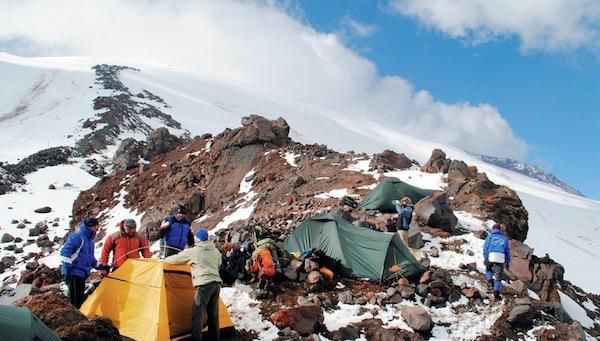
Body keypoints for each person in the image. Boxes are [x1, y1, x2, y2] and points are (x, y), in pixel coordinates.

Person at [164, 229, 222, 341]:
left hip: (204, 285)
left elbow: (176, 259)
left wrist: (165, 260)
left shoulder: (194, 251)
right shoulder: (215, 251)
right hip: (216, 284)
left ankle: (196, 338)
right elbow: (219, 263)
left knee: (197, 313)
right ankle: (214, 338)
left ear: (198, 239)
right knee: (213, 313)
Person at [60, 217, 110, 308]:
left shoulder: (90, 242)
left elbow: (90, 259)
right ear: (90, 226)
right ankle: (73, 321)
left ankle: (78, 319)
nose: (97, 229)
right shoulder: (77, 237)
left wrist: (100, 266)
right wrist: (67, 270)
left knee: (80, 300)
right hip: (73, 272)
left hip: (82, 274)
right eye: (96, 227)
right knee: (74, 301)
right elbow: (65, 253)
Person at [483, 223, 512, 299]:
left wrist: (486, 258)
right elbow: (507, 252)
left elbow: (485, 248)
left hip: (491, 256)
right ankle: (496, 293)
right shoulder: (504, 238)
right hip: (500, 257)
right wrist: (507, 262)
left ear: (493, 229)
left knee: (488, 269)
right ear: (500, 230)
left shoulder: (490, 237)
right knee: (498, 277)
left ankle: (490, 280)